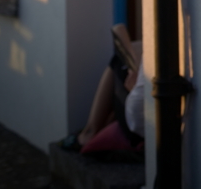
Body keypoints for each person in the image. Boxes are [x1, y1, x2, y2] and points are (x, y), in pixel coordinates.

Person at [60, 24, 146, 154]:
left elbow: (137, 116)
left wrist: (133, 85)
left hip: (138, 128)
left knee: (118, 61)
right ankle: (96, 127)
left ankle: (90, 131)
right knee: (127, 58)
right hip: (143, 120)